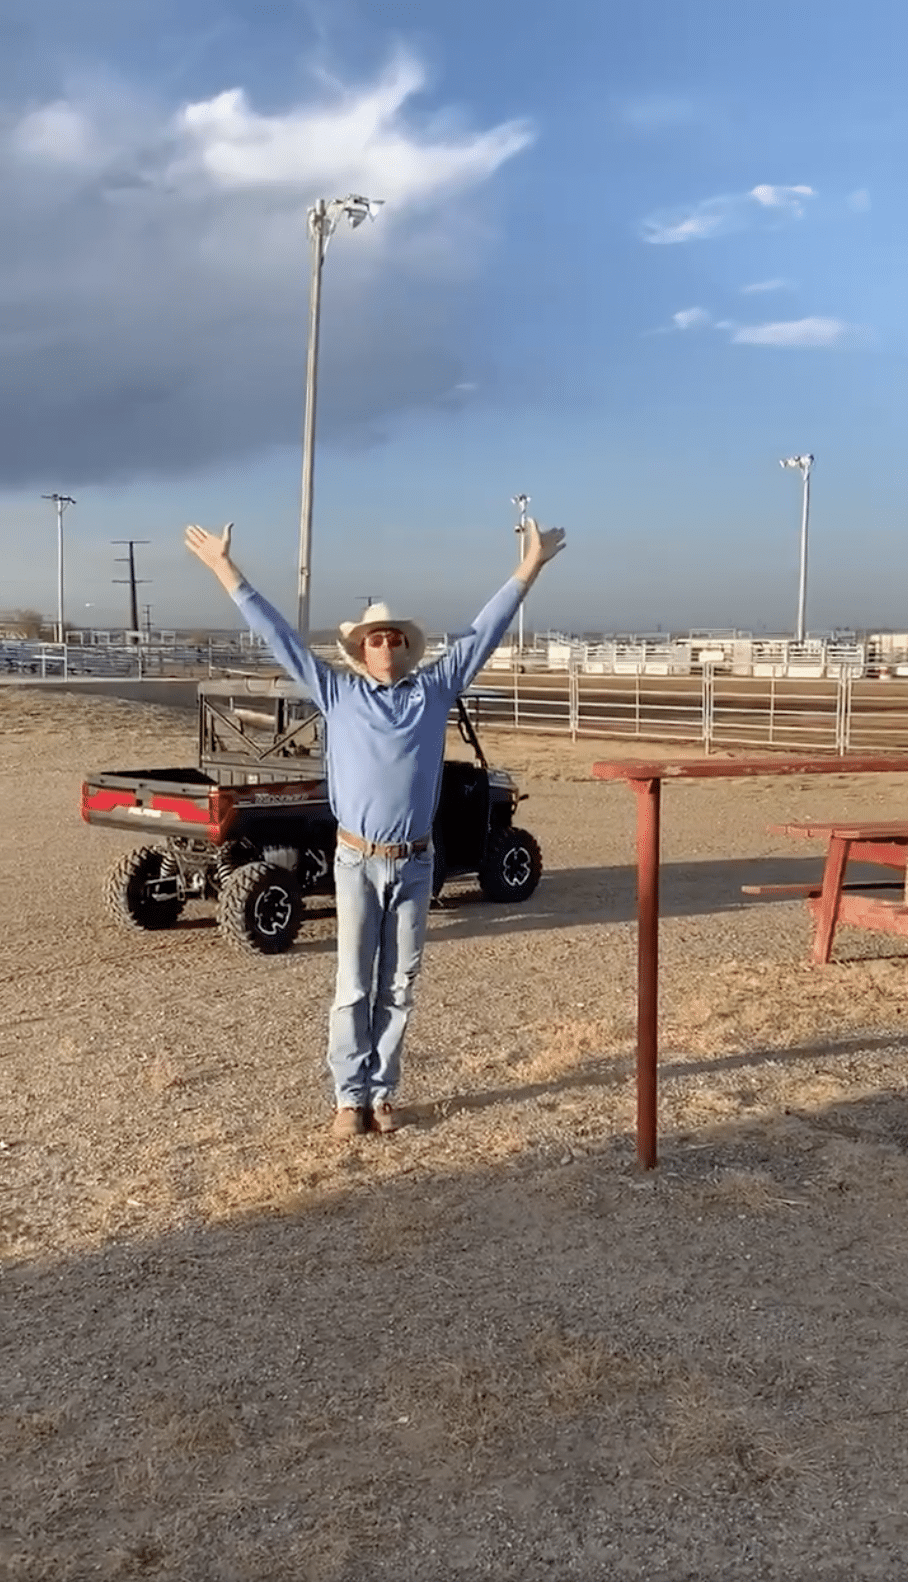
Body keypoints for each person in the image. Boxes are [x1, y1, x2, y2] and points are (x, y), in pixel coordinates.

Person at [184, 517, 565, 1138]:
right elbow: (280, 639)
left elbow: (484, 634)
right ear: (360, 650)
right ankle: (347, 1098)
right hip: (357, 861)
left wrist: (529, 569)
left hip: (415, 863)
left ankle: (384, 1093)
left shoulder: (435, 691)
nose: (385, 645)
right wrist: (227, 570)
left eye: (393, 638)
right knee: (353, 986)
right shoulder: (336, 693)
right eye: (375, 638)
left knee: (402, 984)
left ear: (404, 648)